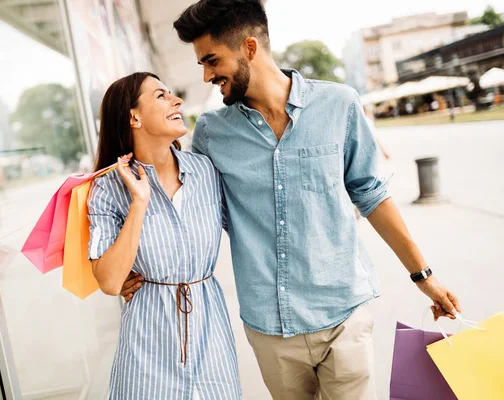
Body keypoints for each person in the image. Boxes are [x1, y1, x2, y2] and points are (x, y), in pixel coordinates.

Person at [122, 1, 462, 399]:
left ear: (250, 48)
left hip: (344, 314)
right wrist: (141, 262)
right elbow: (190, 210)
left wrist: (425, 276)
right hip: (270, 327)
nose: (206, 75)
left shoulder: (339, 105)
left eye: (212, 60)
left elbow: (372, 196)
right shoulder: (212, 134)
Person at [88, 72, 241, 399]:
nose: (177, 101)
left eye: (172, 94)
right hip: (148, 351)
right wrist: (139, 202)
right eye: (161, 95)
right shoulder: (108, 188)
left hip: (210, 341)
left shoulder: (205, 170)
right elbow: (110, 282)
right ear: (134, 116)